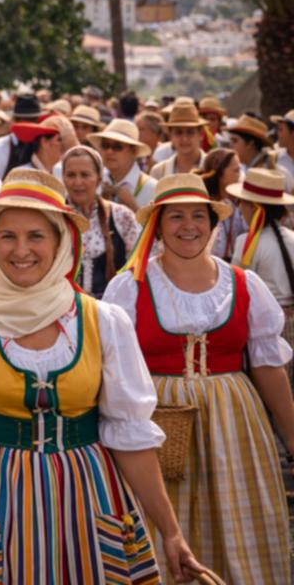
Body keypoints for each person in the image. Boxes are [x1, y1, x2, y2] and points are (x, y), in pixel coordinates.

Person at [0, 170, 201, 584]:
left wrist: (172, 533)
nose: (21, 250)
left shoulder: (103, 322)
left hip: (88, 497)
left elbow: (130, 436)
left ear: (60, 240)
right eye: (7, 236)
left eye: (36, 236)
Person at [104, 173, 294, 584]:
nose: (188, 226)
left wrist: (293, 435)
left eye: (197, 216)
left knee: (237, 520)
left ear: (212, 224)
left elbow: (267, 365)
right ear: (157, 225)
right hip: (157, 419)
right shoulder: (129, 287)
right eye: (175, 217)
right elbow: (112, 373)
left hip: (234, 421)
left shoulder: (244, 284)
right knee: (160, 521)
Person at [228, 167, 294, 379]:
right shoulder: (292, 237)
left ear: (253, 207)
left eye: (242, 203)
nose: (240, 209)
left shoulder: (246, 244)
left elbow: (236, 290)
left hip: (265, 331)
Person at [61, 146, 140, 297]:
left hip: (112, 308)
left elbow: (138, 266)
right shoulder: (55, 219)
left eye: (85, 175)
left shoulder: (121, 216)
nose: (78, 182)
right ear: (63, 178)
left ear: (98, 179)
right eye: (71, 175)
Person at [89, 118, 157, 211]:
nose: (109, 151)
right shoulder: (93, 181)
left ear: (134, 151)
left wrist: (133, 207)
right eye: (105, 145)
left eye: (117, 147)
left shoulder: (151, 188)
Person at [195, 148, 245, 259]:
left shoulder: (241, 205)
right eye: (236, 170)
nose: (240, 175)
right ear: (220, 174)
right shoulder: (205, 208)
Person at [0, 93, 46, 178]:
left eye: (33, 120)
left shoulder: (45, 146)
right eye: (23, 120)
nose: (28, 125)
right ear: (14, 121)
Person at [150, 104, 206, 178]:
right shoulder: (159, 171)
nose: (184, 139)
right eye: (178, 132)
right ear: (170, 136)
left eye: (190, 132)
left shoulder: (212, 169)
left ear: (201, 135)